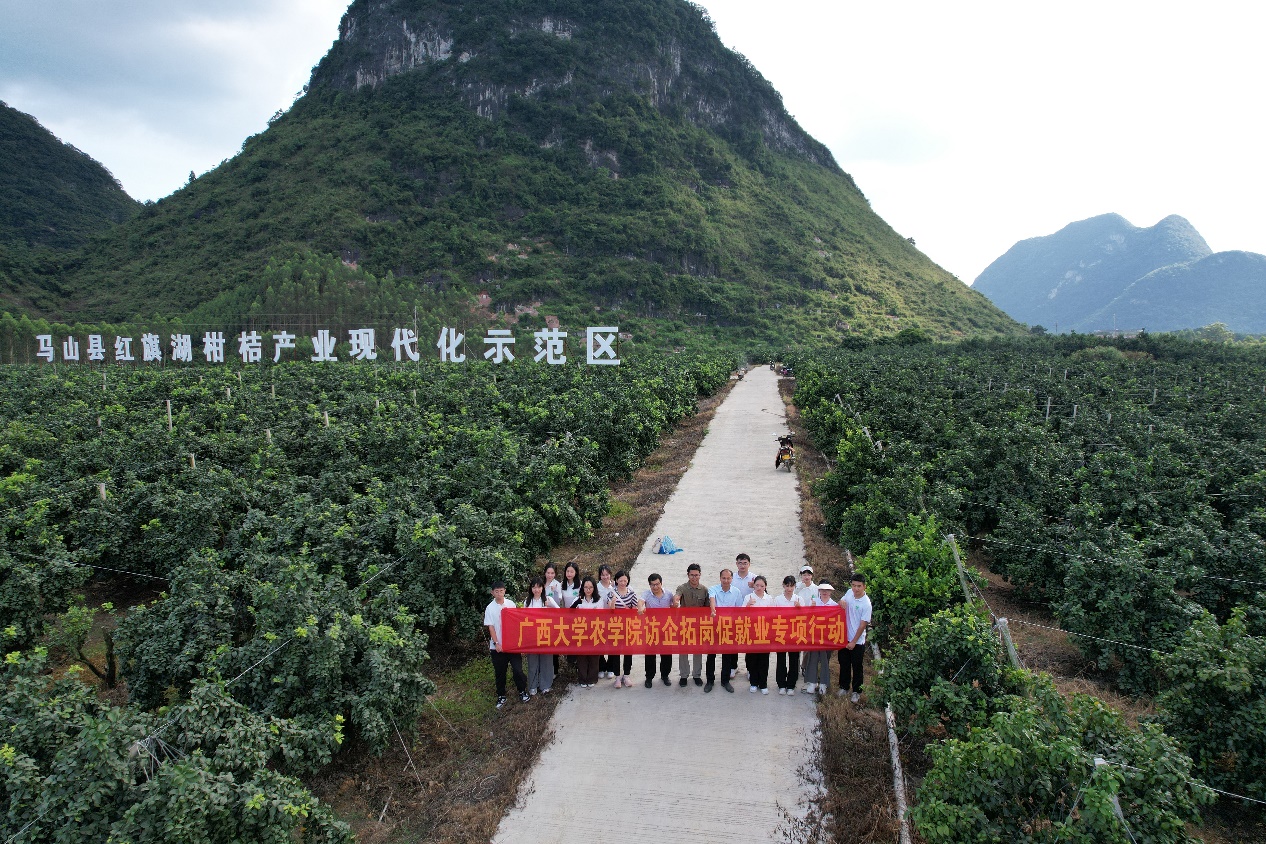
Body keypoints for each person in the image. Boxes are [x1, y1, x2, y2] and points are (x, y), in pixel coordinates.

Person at [484, 581, 530, 708]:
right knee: (500, 672)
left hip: (512, 645)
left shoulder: (510, 604)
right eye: (496, 591)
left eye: (501, 591)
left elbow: (515, 623)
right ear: (492, 593)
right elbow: (491, 628)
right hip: (498, 647)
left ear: (505, 591)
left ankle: (522, 691)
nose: (499, 593)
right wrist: (496, 643)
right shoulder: (490, 608)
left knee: (518, 670)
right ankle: (501, 696)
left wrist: (519, 643)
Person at [706, 568, 745, 693]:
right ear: (720, 578)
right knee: (711, 655)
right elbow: (712, 600)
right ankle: (710, 681)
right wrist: (713, 610)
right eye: (724, 578)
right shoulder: (713, 589)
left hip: (729, 627)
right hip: (714, 626)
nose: (726, 580)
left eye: (728, 578)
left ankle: (725, 681)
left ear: (732, 579)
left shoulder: (736, 592)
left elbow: (739, 610)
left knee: (727, 656)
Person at [838, 573, 872, 703]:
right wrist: (841, 602)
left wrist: (853, 641)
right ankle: (844, 687)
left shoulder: (866, 604)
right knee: (844, 663)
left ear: (864, 587)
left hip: (857, 641)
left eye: (858, 586)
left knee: (857, 667)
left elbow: (863, 625)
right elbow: (841, 602)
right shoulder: (849, 593)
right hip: (844, 638)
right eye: (853, 585)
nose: (856, 589)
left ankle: (856, 691)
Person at [639, 572, 677, 687]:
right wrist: (640, 608)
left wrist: (675, 604)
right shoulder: (646, 594)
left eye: (657, 584)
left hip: (666, 628)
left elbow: (673, 606)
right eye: (653, 585)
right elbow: (640, 602)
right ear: (649, 585)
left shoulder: (668, 594)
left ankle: (665, 675)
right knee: (650, 654)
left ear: (661, 583)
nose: (655, 587)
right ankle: (649, 677)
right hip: (651, 628)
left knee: (666, 653)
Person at [674, 563, 709, 687]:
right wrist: (676, 600)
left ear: (700, 575)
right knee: (683, 650)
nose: (694, 577)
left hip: (699, 625)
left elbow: (707, 607)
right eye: (692, 575)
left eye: (696, 575)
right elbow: (677, 596)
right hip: (684, 624)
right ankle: (684, 675)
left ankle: (696, 675)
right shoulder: (682, 588)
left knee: (697, 650)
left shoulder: (704, 590)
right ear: (688, 575)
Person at [524, 578, 558, 695]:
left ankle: (546, 685)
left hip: (546, 634)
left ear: (543, 588)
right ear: (531, 589)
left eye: (539, 587)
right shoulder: (527, 601)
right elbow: (523, 618)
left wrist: (550, 607)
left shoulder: (548, 599)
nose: (536, 590)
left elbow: (560, 613)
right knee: (532, 661)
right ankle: (533, 685)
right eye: (534, 587)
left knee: (546, 661)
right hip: (532, 636)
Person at [743, 575, 775, 694]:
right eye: (757, 585)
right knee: (752, 658)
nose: (759, 588)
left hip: (765, 632)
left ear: (765, 586)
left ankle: (763, 684)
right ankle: (753, 683)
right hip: (751, 632)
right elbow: (740, 614)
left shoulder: (769, 598)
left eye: (762, 586)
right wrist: (748, 605)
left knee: (764, 659)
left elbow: (774, 615)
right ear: (753, 586)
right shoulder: (748, 597)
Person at [606, 570, 639, 687]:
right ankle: (617, 676)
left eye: (625, 581)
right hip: (615, 626)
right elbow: (610, 611)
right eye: (621, 581)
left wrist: (629, 611)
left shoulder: (632, 593)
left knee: (628, 651)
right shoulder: (612, 593)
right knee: (616, 651)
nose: (623, 583)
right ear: (616, 580)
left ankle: (626, 675)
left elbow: (635, 609)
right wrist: (613, 603)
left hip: (628, 626)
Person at [802, 583, 836, 695]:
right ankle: (812, 682)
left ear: (830, 592)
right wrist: (811, 609)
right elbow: (806, 618)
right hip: (815, 637)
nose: (825, 592)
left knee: (825, 660)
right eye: (822, 590)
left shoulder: (834, 605)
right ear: (819, 591)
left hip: (827, 638)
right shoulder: (814, 602)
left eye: (827, 590)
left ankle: (823, 684)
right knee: (813, 659)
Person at [772, 575, 804, 694]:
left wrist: (799, 608)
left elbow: (805, 617)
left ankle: (791, 685)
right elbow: (772, 615)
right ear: (783, 586)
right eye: (787, 586)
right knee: (781, 659)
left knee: (794, 659)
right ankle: (781, 684)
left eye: (791, 586)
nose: (789, 589)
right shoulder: (778, 599)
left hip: (795, 633)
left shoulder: (799, 599)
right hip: (781, 632)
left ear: (795, 586)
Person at [573, 577, 604, 687]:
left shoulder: (599, 600)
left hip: (594, 630)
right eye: (586, 587)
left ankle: (592, 678)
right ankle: (582, 679)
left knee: (594, 656)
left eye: (590, 587)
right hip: (581, 631)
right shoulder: (578, 600)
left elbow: (599, 616)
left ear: (594, 588)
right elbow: (571, 614)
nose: (588, 589)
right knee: (582, 656)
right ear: (582, 588)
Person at [560, 562, 583, 673]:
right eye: (567, 571)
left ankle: (580, 663)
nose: (569, 574)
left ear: (576, 573)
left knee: (578, 638)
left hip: (578, 617)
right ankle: (571, 664)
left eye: (572, 571)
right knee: (569, 639)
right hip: (567, 617)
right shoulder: (561, 585)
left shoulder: (581, 584)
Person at [794, 565, 816, 679]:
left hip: (810, 620)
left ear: (811, 576)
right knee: (796, 645)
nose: (806, 577)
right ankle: (795, 668)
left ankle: (804, 666)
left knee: (807, 646)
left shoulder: (816, 589)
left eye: (808, 575)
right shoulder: (797, 587)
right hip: (797, 620)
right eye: (804, 574)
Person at [596, 564, 617, 678]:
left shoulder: (614, 586)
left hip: (612, 619)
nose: (605, 577)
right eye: (603, 575)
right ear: (599, 576)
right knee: (599, 643)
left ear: (610, 574)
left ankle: (611, 667)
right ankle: (601, 667)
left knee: (612, 643)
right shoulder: (596, 587)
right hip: (599, 619)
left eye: (607, 574)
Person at [543, 563, 563, 675]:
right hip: (542, 618)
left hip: (553, 618)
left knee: (553, 643)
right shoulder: (540, 584)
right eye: (548, 573)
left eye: (552, 573)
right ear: (545, 573)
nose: (550, 575)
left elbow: (559, 601)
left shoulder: (557, 584)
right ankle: (545, 670)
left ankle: (555, 670)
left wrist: (555, 592)